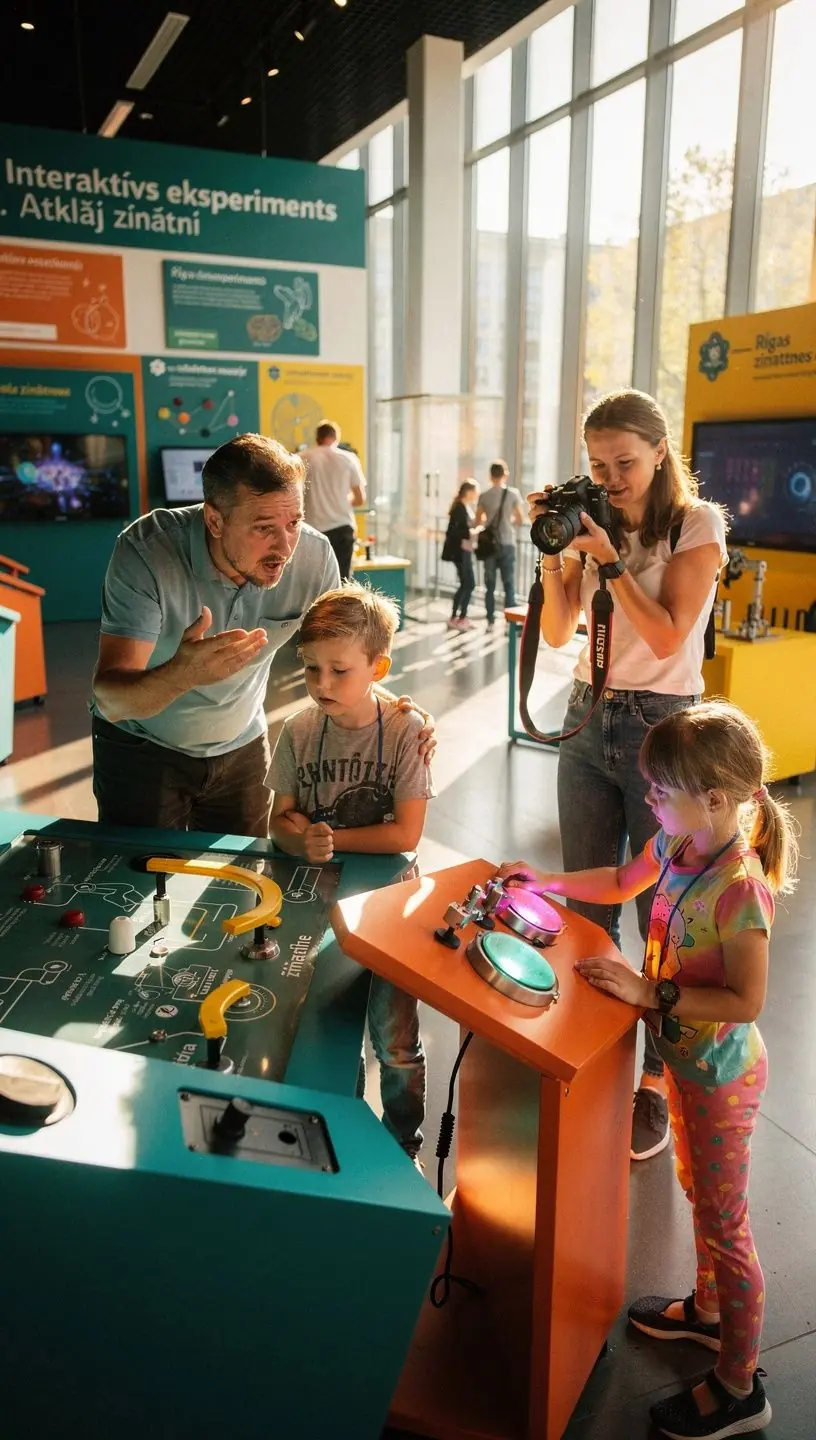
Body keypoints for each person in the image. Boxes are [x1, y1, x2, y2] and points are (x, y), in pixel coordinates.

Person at [500, 701, 797, 1439]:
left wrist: (651, 991)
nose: (651, 801)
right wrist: (549, 882)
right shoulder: (673, 845)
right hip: (686, 1066)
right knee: (697, 1192)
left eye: (661, 790)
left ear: (717, 801)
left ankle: (738, 1383)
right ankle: (704, 1311)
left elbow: (748, 1000)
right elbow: (621, 880)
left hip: (722, 1077)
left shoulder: (740, 890)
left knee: (727, 1226)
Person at [529, 389, 728, 1161]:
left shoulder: (695, 525)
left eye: (625, 463)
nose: (611, 479)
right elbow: (555, 630)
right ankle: (588, 1052)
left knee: (659, 915)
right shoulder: (594, 521)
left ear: (660, 452)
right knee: (585, 902)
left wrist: (610, 562)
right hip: (589, 713)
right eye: (598, 465)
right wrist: (558, 556)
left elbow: (671, 631)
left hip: (663, 727)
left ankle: (650, 1086)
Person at [92, 433, 433, 837]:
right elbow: (110, 699)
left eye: (294, 522)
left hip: (241, 747)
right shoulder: (147, 551)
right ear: (215, 520)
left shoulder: (313, 556)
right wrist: (183, 674)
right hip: (142, 746)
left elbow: (347, 656)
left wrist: (398, 714)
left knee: (242, 887)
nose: (285, 546)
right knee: (141, 882)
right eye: (264, 528)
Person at [267, 583, 434, 1162]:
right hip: (320, 902)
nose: (321, 685)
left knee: (393, 1039)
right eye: (312, 669)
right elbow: (278, 820)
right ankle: (340, 1136)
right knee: (330, 1035)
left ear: (377, 667)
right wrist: (298, 838)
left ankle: (402, 1144)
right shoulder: (297, 730)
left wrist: (328, 838)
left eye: (340, 670)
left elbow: (406, 835)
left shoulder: (409, 730)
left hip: (391, 908)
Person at [301, 420, 366, 581]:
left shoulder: (302, 458)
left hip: (312, 530)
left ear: (317, 438)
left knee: (313, 583)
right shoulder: (349, 458)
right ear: (336, 438)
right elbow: (360, 499)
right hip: (342, 527)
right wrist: (341, 501)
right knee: (342, 582)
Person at [477, 460, 525, 632]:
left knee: (489, 585)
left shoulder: (484, 496)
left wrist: (490, 524)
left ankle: (490, 621)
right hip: (507, 544)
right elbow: (520, 519)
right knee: (509, 584)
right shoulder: (513, 494)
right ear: (505, 474)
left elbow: (478, 520)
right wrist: (507, 522)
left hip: (490, 545)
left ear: (490, 476)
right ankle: (509, 624)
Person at [441, 479, 479, 630]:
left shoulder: (463, 507)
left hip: (464, 551)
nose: (476, 496)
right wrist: (473, 531)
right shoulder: (459, 508)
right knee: (468, 583)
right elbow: (456, 531)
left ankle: (458, 617)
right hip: (461, 551)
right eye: (475, 492)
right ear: (469, 492)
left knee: (466, 583)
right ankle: (459, 617)